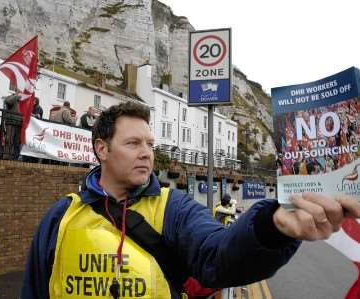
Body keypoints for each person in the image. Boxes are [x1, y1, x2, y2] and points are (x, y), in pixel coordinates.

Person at [21, 101, 360, 299]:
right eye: (133, 144)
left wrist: (272, 228)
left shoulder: (173, 207)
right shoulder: (61, 216)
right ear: (101, 150)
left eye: (150, 145)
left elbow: (219, 255)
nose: (146, 154)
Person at [3, 91, 23, 160]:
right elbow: (8, 101)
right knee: (9, 139)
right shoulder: (12, 97)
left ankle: (14, 157)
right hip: (11, 122)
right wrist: (17, 96)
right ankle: (7, 156)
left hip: (20, 123)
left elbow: (27, 112)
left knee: (17, 142)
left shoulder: (23, 101)